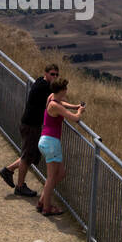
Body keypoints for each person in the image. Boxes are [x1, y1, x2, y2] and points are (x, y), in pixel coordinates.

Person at [0, 63, 59, 199]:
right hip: (31, 125)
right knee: (27, 157)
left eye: (56, 74)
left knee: (31, 154)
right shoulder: (44, 87)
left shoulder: (41, 81)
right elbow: (55, 100)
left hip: (30, 124)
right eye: (52, 74)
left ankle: (8, 170)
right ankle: (20, 187)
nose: (54, 77)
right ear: (46, 73)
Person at [36, 78, 85, 218]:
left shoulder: (51, 98)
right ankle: (46, 207)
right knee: (51, 178)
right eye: (65, 89)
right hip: (52, 142)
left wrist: (74, 105)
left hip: (46, 140)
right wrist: (80, 111)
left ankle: (42, 201)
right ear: (62, 90)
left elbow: (61, 103)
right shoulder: (55, 106)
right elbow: (75, 118)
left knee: (61, 173)